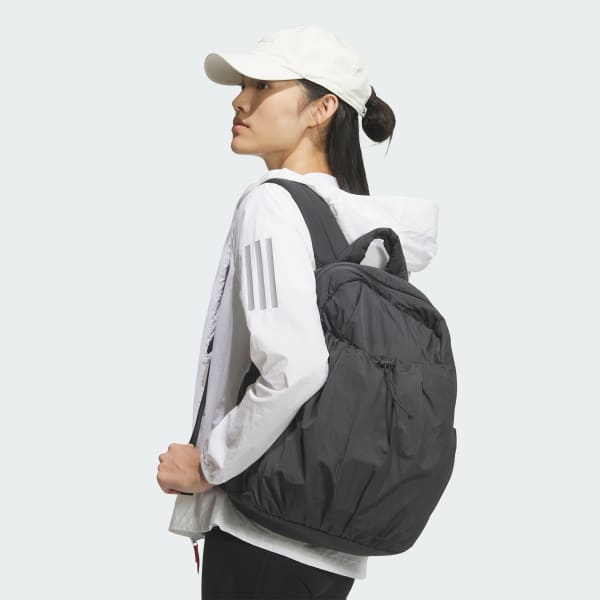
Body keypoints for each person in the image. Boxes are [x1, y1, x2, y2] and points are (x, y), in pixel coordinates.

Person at [156, 24, 440, 599]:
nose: (240, 101)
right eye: (242, 86)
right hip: (326, 540)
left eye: (262, 86)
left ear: (322, 109)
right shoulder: (363, 230)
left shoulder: (272, 205)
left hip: (259, 529)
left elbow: (296, 365)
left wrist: (208, 465)